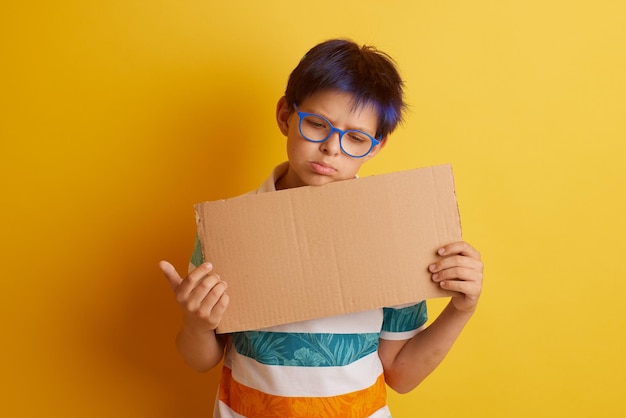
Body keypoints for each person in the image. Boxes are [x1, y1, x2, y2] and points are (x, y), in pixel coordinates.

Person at [159, 38, 483, 417]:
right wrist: (196, 323)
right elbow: (200, 360)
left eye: (356, 138)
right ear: (285, 116)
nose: (332, 148)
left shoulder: (395, 233)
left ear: (376, 146)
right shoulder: (230, 230)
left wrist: (462, 308)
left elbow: (401, 374)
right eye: (316, 124)